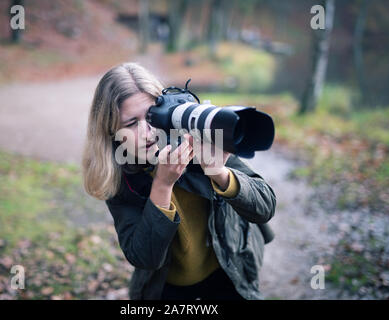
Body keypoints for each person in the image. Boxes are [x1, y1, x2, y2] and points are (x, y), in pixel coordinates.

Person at [82, 62, 276, 300]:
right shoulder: (122, 178)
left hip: (229, 271)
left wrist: (218, 171)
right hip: (167, 288)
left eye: (152, 116)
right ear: (111, 131)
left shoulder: (194, 135)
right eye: (131, 123)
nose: (147, 132)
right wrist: (162, 186)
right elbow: (144, 257)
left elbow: (265, 207)